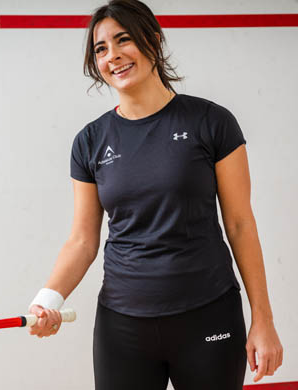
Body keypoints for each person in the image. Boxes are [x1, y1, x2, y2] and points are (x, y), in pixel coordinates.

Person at [27, 1, 283, 389]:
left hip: (209, 318)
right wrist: (49, 300)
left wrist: (263, 321)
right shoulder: (90, 142)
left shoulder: (212, 122)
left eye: (123, 40)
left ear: (154, 40)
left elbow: (240, 224)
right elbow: (82, 240)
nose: (112, 56)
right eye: (100, 49)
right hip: (123, 328)